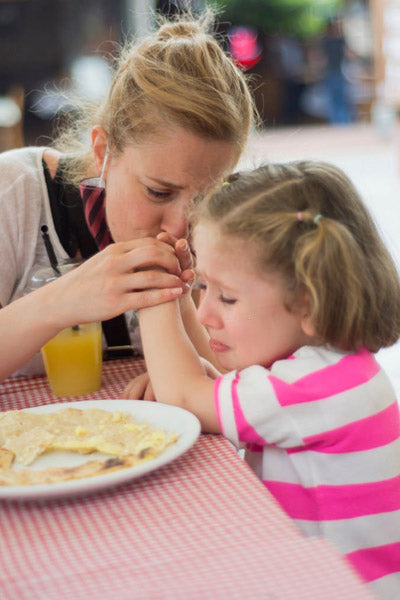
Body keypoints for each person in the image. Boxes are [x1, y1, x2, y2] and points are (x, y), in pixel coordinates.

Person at [130, 160, 400, 599]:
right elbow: (204, 388)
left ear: (307, 304)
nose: (205, 313)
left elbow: (183, 396)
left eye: (228, 297)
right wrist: (199, 370)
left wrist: (150, 288)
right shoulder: (331, 367)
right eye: (202, 287)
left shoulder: (313, 388)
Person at [0, 8, 255, 383]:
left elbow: (245, 377)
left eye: (207, 197)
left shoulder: (223, 226)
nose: (180, 226)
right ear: (103, 151)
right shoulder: (15, 194)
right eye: (158, 191)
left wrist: (184, 375)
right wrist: (61, 301)